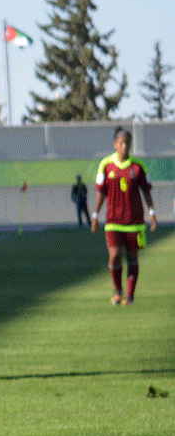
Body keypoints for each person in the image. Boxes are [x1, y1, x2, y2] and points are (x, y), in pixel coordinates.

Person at [92, 127, 157, 305]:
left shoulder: (138, 166)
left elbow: (146, 191)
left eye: (127, 142)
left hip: (135, 222)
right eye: (121, 142)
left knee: (133, 257)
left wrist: (152, 211)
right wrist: (95, 215)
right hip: (113, 221)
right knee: (114, 255)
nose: (124, 146)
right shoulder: (105, 165)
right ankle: (117, 290)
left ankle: (130, 296)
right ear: (115, 144)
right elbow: (100, 192)